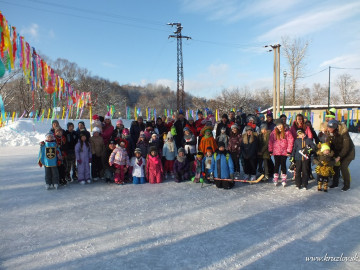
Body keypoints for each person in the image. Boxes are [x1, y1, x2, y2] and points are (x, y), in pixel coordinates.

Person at [327, 120, 355, 191]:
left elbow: (346, 147)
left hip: (349, 153)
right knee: (335, 166)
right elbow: (329, 143)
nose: (328, 129)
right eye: (328, 127)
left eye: (330, 128)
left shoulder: (344, 133)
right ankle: (335, 183)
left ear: (335, 128)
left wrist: (339, 157)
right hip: (338, 152)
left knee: (343, 167)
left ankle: (347, 185)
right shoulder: (330, 133)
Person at [268, 120, 294, 187]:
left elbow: (290, 141)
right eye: (278, 125)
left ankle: (284, 178)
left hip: (284, 152)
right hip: (276, 152)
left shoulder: (287, 132)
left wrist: (289, 151)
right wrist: (270, 150)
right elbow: (270, 142)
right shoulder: (273, 133)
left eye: (280, 125)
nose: (279, 126)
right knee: (276, 164)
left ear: (283, 125)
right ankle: (275, 177)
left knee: (283, 164)